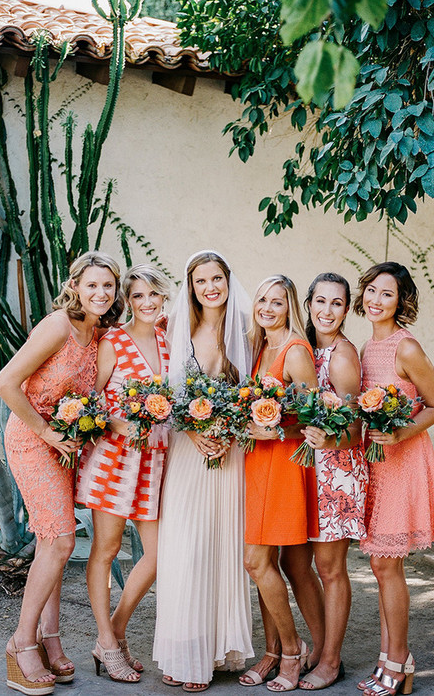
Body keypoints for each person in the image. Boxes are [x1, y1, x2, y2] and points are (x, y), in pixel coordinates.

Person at [0, 252, 124, 696]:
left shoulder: (100, 333)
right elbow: (5, 383)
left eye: (108, 286)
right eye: (92, 286)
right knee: (62, 539)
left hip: (66, 444)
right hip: (34, 438)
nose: (101, 293)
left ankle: (51, 639)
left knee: (56, 543)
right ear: (75, 287)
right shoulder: (58, 326)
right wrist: (48, 433)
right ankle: (21, 642)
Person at [153, 250, 254, 693]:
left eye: (217, 278)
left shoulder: (248, 330)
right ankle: (184, 653)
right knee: (186, 550)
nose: (210, 287)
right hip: (187, 451)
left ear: (228, 281)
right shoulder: (179, 329)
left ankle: (218, 651)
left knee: (221, 547)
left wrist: (229, 432)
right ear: (190, 287)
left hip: (230, 454)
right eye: (201, 281)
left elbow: (253, 392)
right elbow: (171, 395)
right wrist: (194, 433)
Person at [75, 264, 171, 683]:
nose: (147, 303)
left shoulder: (170, 342)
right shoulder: (113, 340)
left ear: (163, 297)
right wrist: (117, 424)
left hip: (154, 460)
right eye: (137, 296)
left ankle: (112, 632)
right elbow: (89, 401)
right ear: (126, 301)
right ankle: (109, 643)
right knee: (107, 548)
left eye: (154, 294)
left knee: (158, 555)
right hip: (113, 460)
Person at [353, 262, 434, 696]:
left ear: (400, 301)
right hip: (375, 463)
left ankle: (398, 662)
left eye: (386, 294)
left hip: (403, 460)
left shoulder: (405, 348)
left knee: (388, 564)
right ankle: (391, 658)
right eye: (371, 290)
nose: (375, 299)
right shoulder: (366, 347)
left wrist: (398, 432)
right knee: (378, 564)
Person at [241, 275, 324, 693]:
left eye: (277, 302)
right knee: (264, 565)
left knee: (256, 561)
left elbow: (314, 419)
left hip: (284, 465)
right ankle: (272, 651)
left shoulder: (294, 350)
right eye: (262, 300)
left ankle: (292, 650)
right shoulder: (261, 347)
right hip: (257, 464)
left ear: (290, 306)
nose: (268, 308)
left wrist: (276, 433)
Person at [297, 272, 368, 691]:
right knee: (296, 563)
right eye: (320, 302)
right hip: (305, 468)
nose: (327, 311)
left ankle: (330, 660)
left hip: (337, 473)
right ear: (308, 304)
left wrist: (328, 437)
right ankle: (323, 647)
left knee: (330, 568)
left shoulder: (341, 355)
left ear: (346, 309)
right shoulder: (304, 347)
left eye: (336, 303)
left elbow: (357, 428)